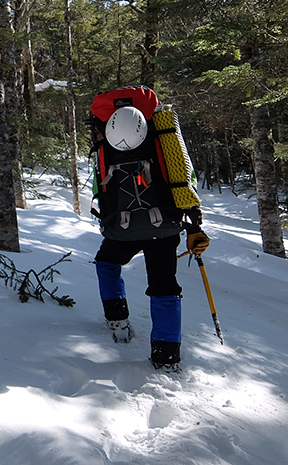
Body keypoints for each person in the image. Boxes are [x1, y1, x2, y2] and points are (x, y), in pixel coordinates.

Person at [90, 88, 210, 371]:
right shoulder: (164, 138)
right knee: (165, 285)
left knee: (106, 263)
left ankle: (117, 319)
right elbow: (185, 178)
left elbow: (99, 188)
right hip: (165, 227)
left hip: (121, 228)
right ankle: (166, 357)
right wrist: (193, 224)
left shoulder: (104, 144)